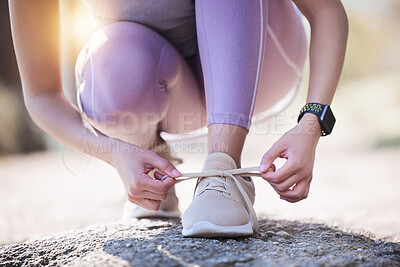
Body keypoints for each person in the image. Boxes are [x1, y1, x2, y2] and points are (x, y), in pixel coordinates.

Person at [9, 0, 348, 237]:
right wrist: (116, 152)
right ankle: (152, 166)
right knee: (113, 61)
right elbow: (42, 97)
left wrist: (311, 123)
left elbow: (326, 11)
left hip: (266, 58)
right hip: (169, 87)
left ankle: (223, 167)